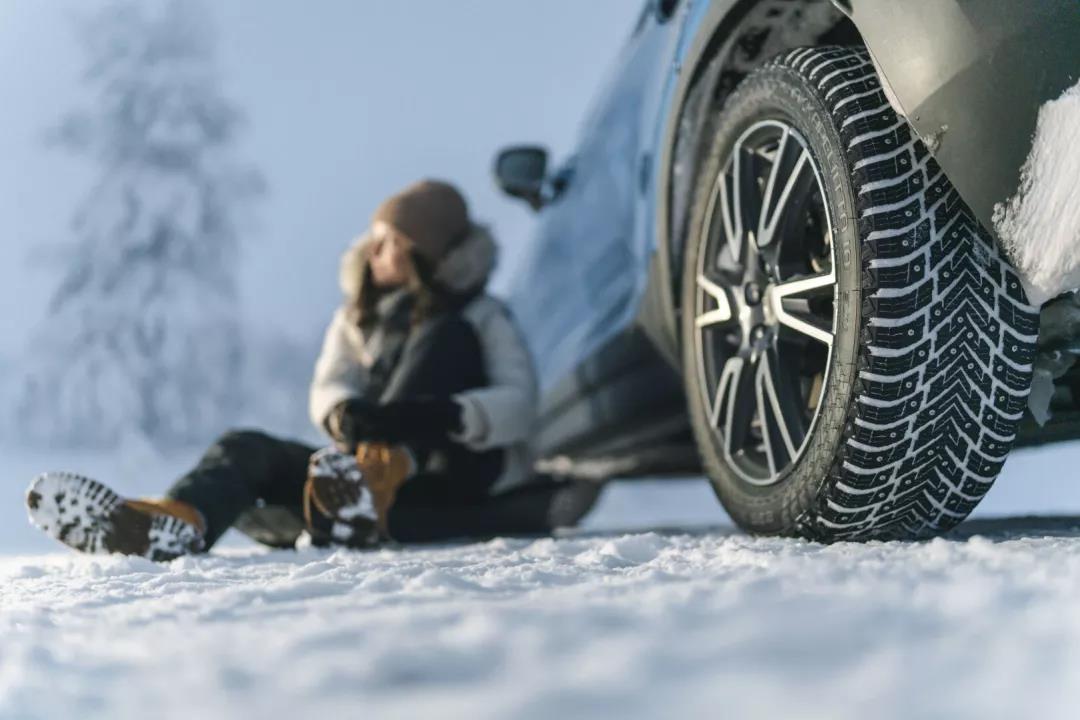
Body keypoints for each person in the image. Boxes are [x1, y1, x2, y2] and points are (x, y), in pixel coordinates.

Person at [26, 180, 599, 560]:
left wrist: (445, 414)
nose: (374, 251)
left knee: (442, 336)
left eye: (390, 240)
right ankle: (176, 523)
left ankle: (365, 497)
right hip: (347, 485)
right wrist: (342, 411)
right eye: (374, 240)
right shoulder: (355, 319)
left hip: (452, 480)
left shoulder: (480, 317)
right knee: (246, 447)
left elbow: (520, 404)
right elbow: (330, 384)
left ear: (427, 251)